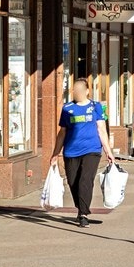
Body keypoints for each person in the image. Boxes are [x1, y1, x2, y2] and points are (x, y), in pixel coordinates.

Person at [51, 77, 114, 228]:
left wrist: (108, 151)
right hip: (71, 151)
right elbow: (62, 133)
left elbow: (101, 130)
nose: (77, 92)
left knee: (85, 180)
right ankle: (81, 208)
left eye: (80, 90)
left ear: (87, 91)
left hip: (91, 149)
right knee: (73, 182)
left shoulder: (95, 106)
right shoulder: (67, 108)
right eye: (75, 90)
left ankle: (83, 214)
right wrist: (55, 153)